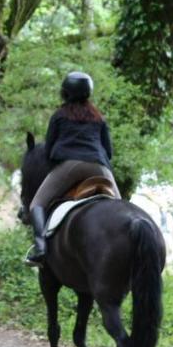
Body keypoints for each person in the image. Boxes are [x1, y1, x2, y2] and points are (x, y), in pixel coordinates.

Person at [25, 71, 119, 267]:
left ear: (65, 93)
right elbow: (108, 152)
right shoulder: (98, 118)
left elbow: (49, 150)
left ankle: (41, 249)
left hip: (70, 166)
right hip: (100, 167)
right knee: (120, 208)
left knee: (37, 204)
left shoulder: (59, 116)